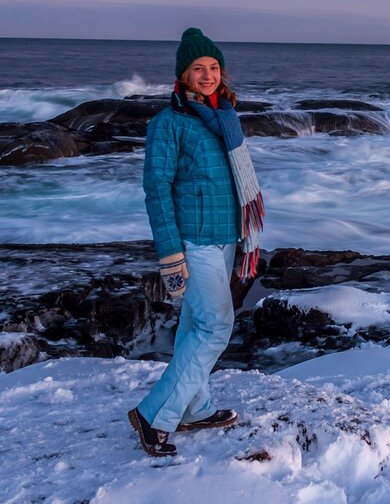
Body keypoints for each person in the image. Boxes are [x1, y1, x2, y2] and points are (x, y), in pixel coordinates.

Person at [127, 27, 264, 457]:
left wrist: (243, 236)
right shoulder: (168, 124)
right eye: (198, 68)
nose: (207, 75)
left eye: (213, 67)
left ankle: (194, 408)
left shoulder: (224, 117)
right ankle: (154, 415)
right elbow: (157, 189)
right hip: (194, 240)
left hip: (226, 237)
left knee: (193, 326)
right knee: (215, 325)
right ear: (182, 76)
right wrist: (170, 252)